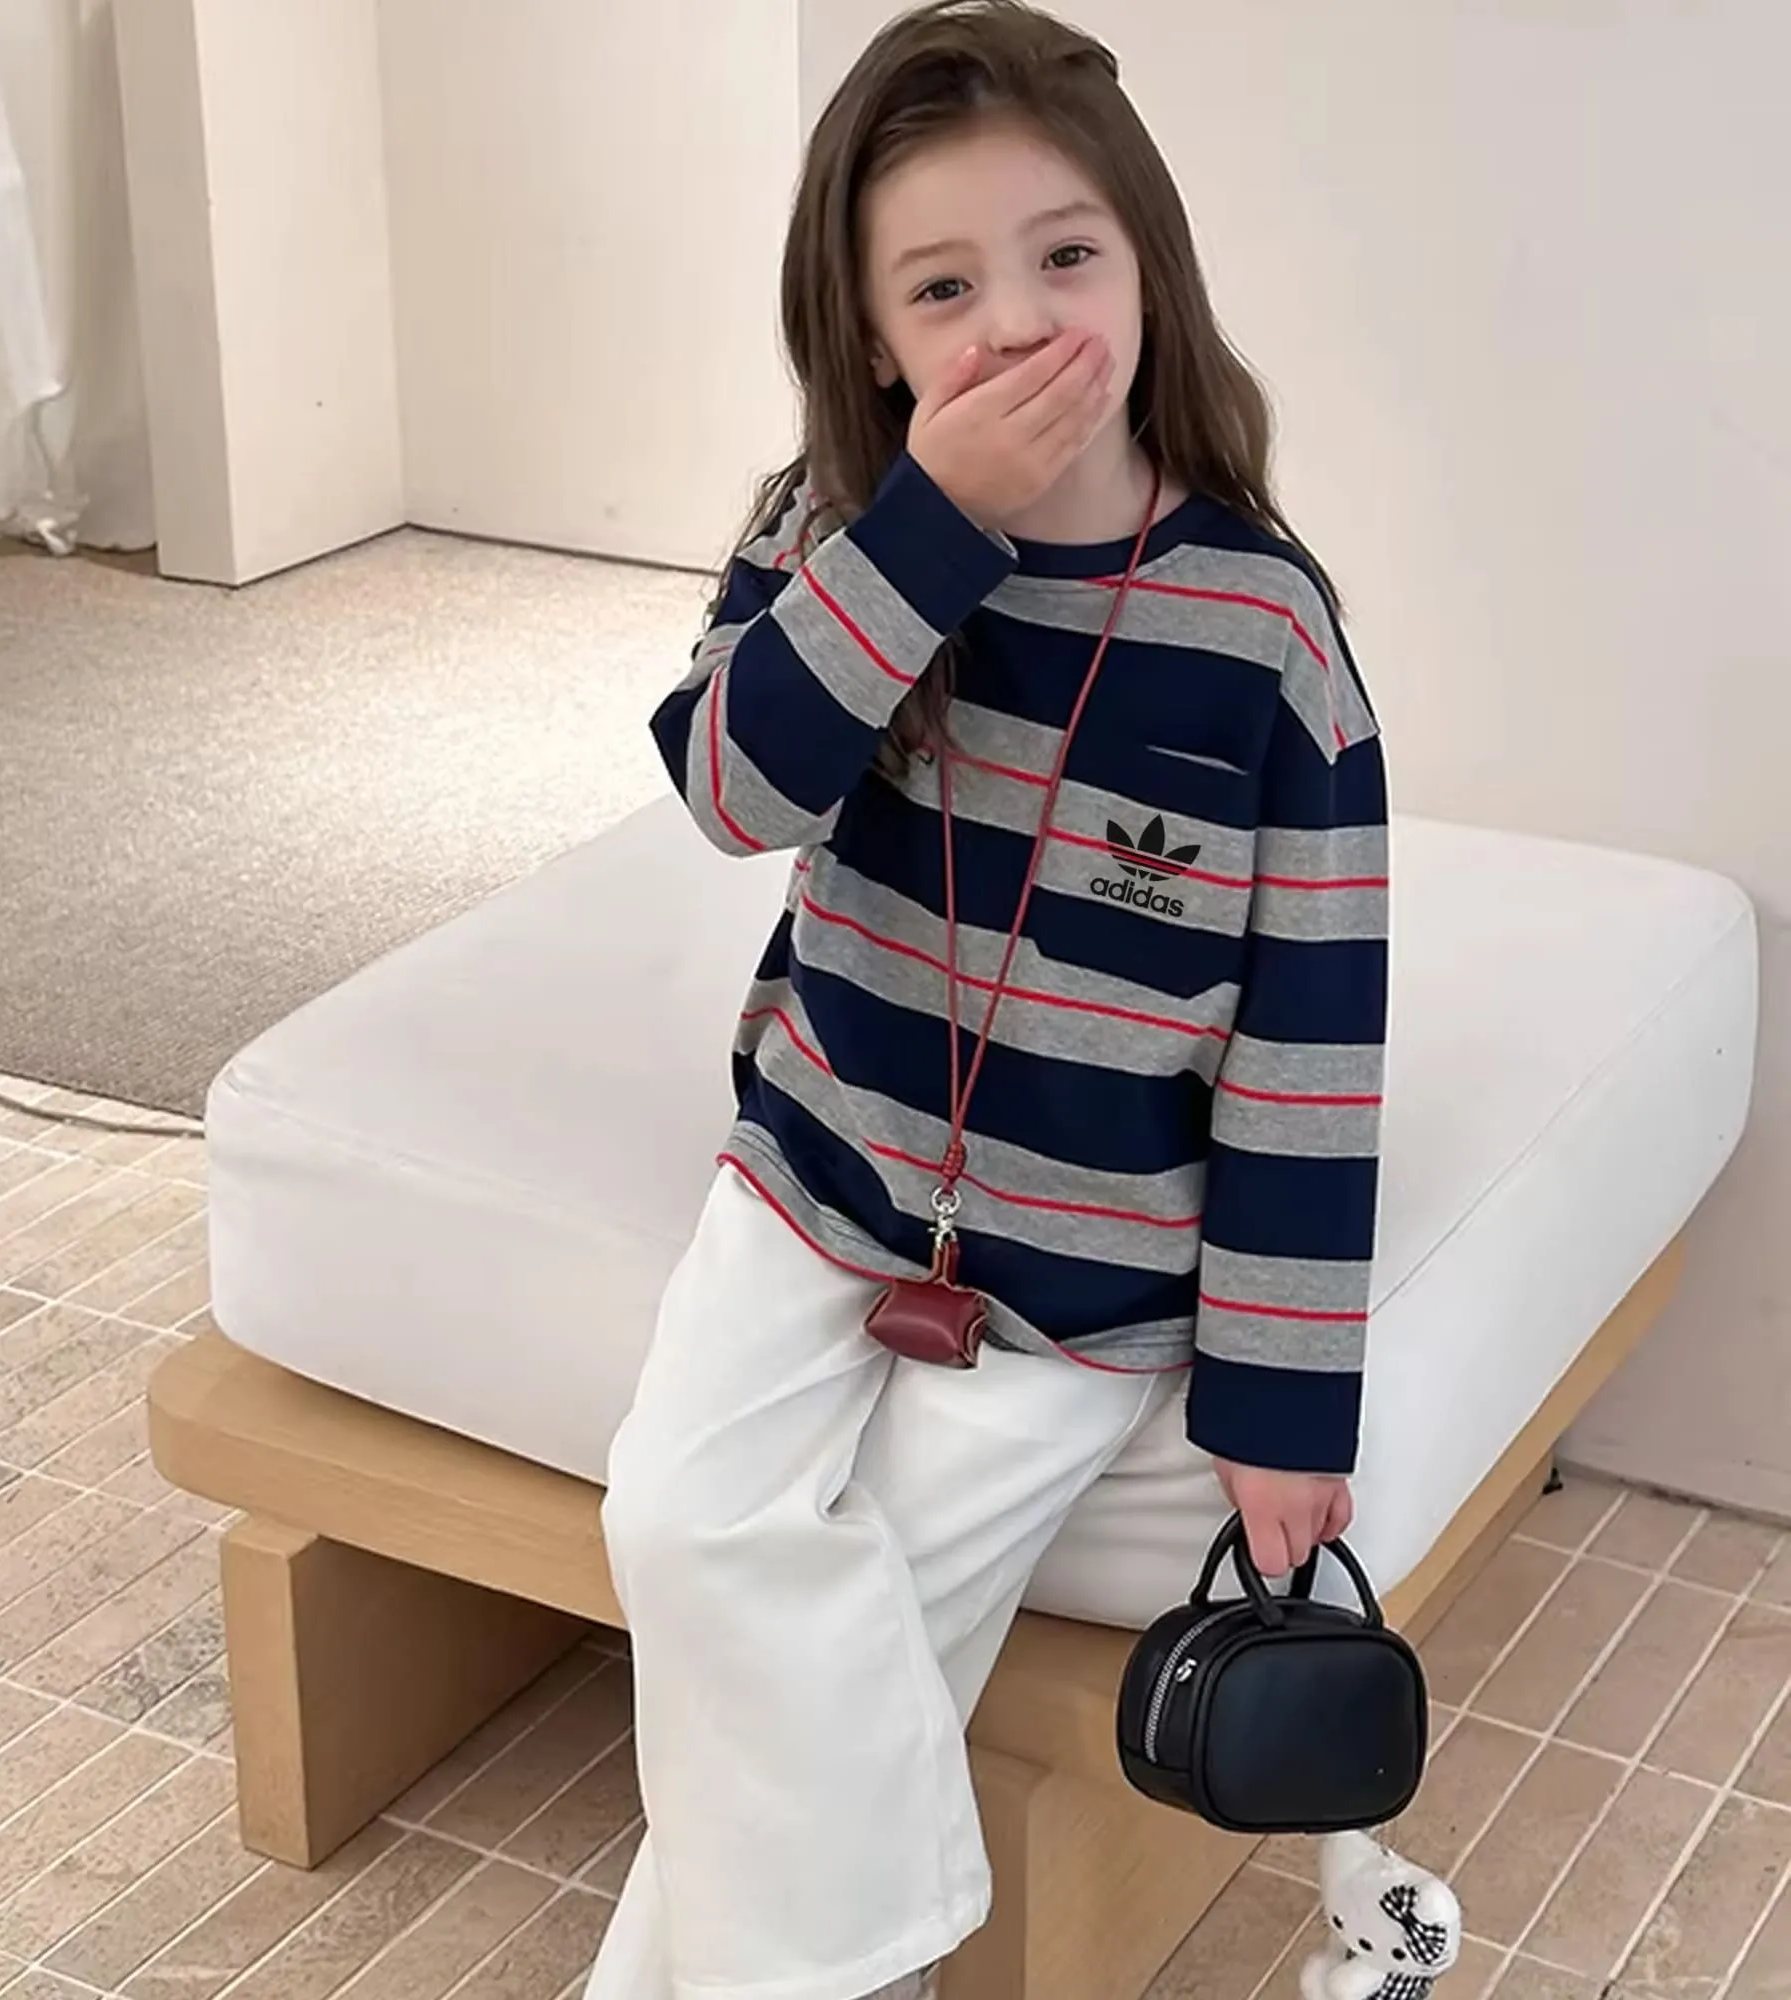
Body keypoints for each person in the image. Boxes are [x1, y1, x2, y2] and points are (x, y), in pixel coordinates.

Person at [591, 5, 1387, 1998]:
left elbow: (1310, 1034)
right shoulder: (833, 532)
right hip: (821, 1167)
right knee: (679, 1522)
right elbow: (729, 791)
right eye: (942, 288)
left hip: (1089, 1275)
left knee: (876, 1604)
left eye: (1065, 256)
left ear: (1147, 269)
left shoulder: (1261, 627)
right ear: (871, 337)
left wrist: (1281, 1399)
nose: (1017, 320)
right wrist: (924, 536)